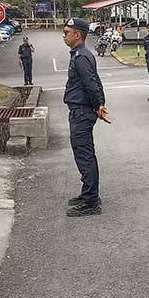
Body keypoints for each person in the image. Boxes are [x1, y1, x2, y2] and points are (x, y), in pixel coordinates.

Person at [62, 18, 109, 218]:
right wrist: (100, 103)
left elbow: (91, 83)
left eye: (66, 32)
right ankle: (88, 194)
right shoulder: (81, 54)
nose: (64, 36)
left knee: (84, 155)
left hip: (81, 112)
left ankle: (91, 202)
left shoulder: (81, 56)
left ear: (77, 35)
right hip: (81, 110)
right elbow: (95, 80)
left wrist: (98, 105)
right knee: (85, 154)